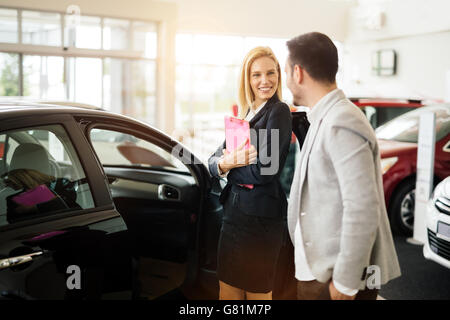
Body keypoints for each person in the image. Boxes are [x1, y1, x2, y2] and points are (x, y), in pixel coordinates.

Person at [285, 32, 401, 300]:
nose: (287, 81)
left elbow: (362, 206)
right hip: (318, 272)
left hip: (335, 280)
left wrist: (346, 282)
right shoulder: (324, 116)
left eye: (287, 72)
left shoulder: (341, 120)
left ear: (299, 73)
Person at [208, 46, 292, 300]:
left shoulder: (278, 112)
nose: (264, 81)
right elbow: (212, 161)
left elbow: (264, 172)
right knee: (228, 290)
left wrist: (229, 166)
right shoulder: (246, 113)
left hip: (261, 220)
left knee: (256, 294)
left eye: (270, 73)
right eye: (256, 75)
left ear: (278, 75)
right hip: (234, 215)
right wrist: (227, 163)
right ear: (248, 79)